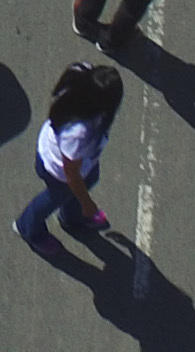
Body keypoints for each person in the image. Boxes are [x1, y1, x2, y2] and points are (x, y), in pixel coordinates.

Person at [16, 62, 127, 260]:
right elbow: (71, 175)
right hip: (59, 172)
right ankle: (27, 227)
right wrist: (88, 204)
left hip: (80, 165)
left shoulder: (81, 77)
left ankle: (71, 218)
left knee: (89, 181)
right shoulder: (78, 134)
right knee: (53, 198)